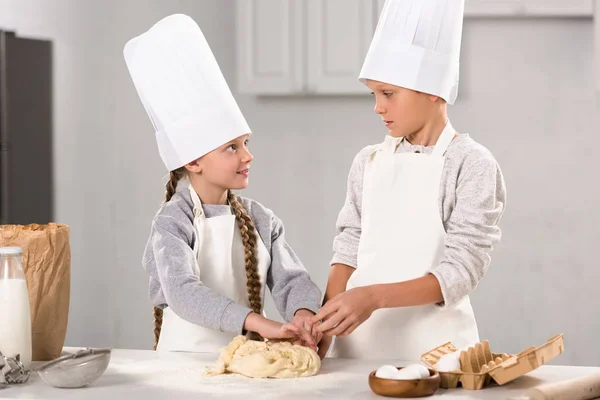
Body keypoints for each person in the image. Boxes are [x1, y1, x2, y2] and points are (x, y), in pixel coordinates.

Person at [313, 0, 507, 360]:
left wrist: (372, 297)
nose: (378, 107)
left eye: (388, 93)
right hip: (357, 352)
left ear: (433, 90)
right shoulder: (367, 162)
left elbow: (461, 270)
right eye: (374, 94)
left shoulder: (471, 164)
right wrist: (324, 327)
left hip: (437, 356)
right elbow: (349, 246)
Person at [123, 14, 322, 353]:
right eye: (232, 147)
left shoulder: (262, 220)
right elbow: (183, 292)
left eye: (246, 143)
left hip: (244, 365)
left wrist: (303, 314)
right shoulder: (172, 222)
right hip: (180, 370)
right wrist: (260, 323)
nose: (248, 156)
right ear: (194, 161)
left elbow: (293, 280)